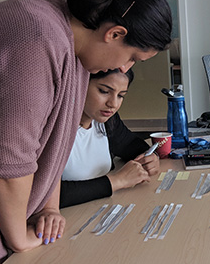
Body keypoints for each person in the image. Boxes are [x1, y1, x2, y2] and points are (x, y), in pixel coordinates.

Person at [0, 0, 172, 264]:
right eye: (133, 57)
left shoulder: (72, 41)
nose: (125, 67)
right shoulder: (39, 40)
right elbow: (8, 164)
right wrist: (18, 238)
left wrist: (48, 209)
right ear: (115, 34)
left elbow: (51, 143)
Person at [60, 69, 160, 208]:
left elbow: (131, 144)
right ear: (80, 84)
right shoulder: (55, 129)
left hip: (102, 207)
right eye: (104, 91)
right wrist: (117, 181)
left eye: (120, 95)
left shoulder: (107, 121)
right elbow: (50, 195)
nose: (113, 104)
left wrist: (150, 158)